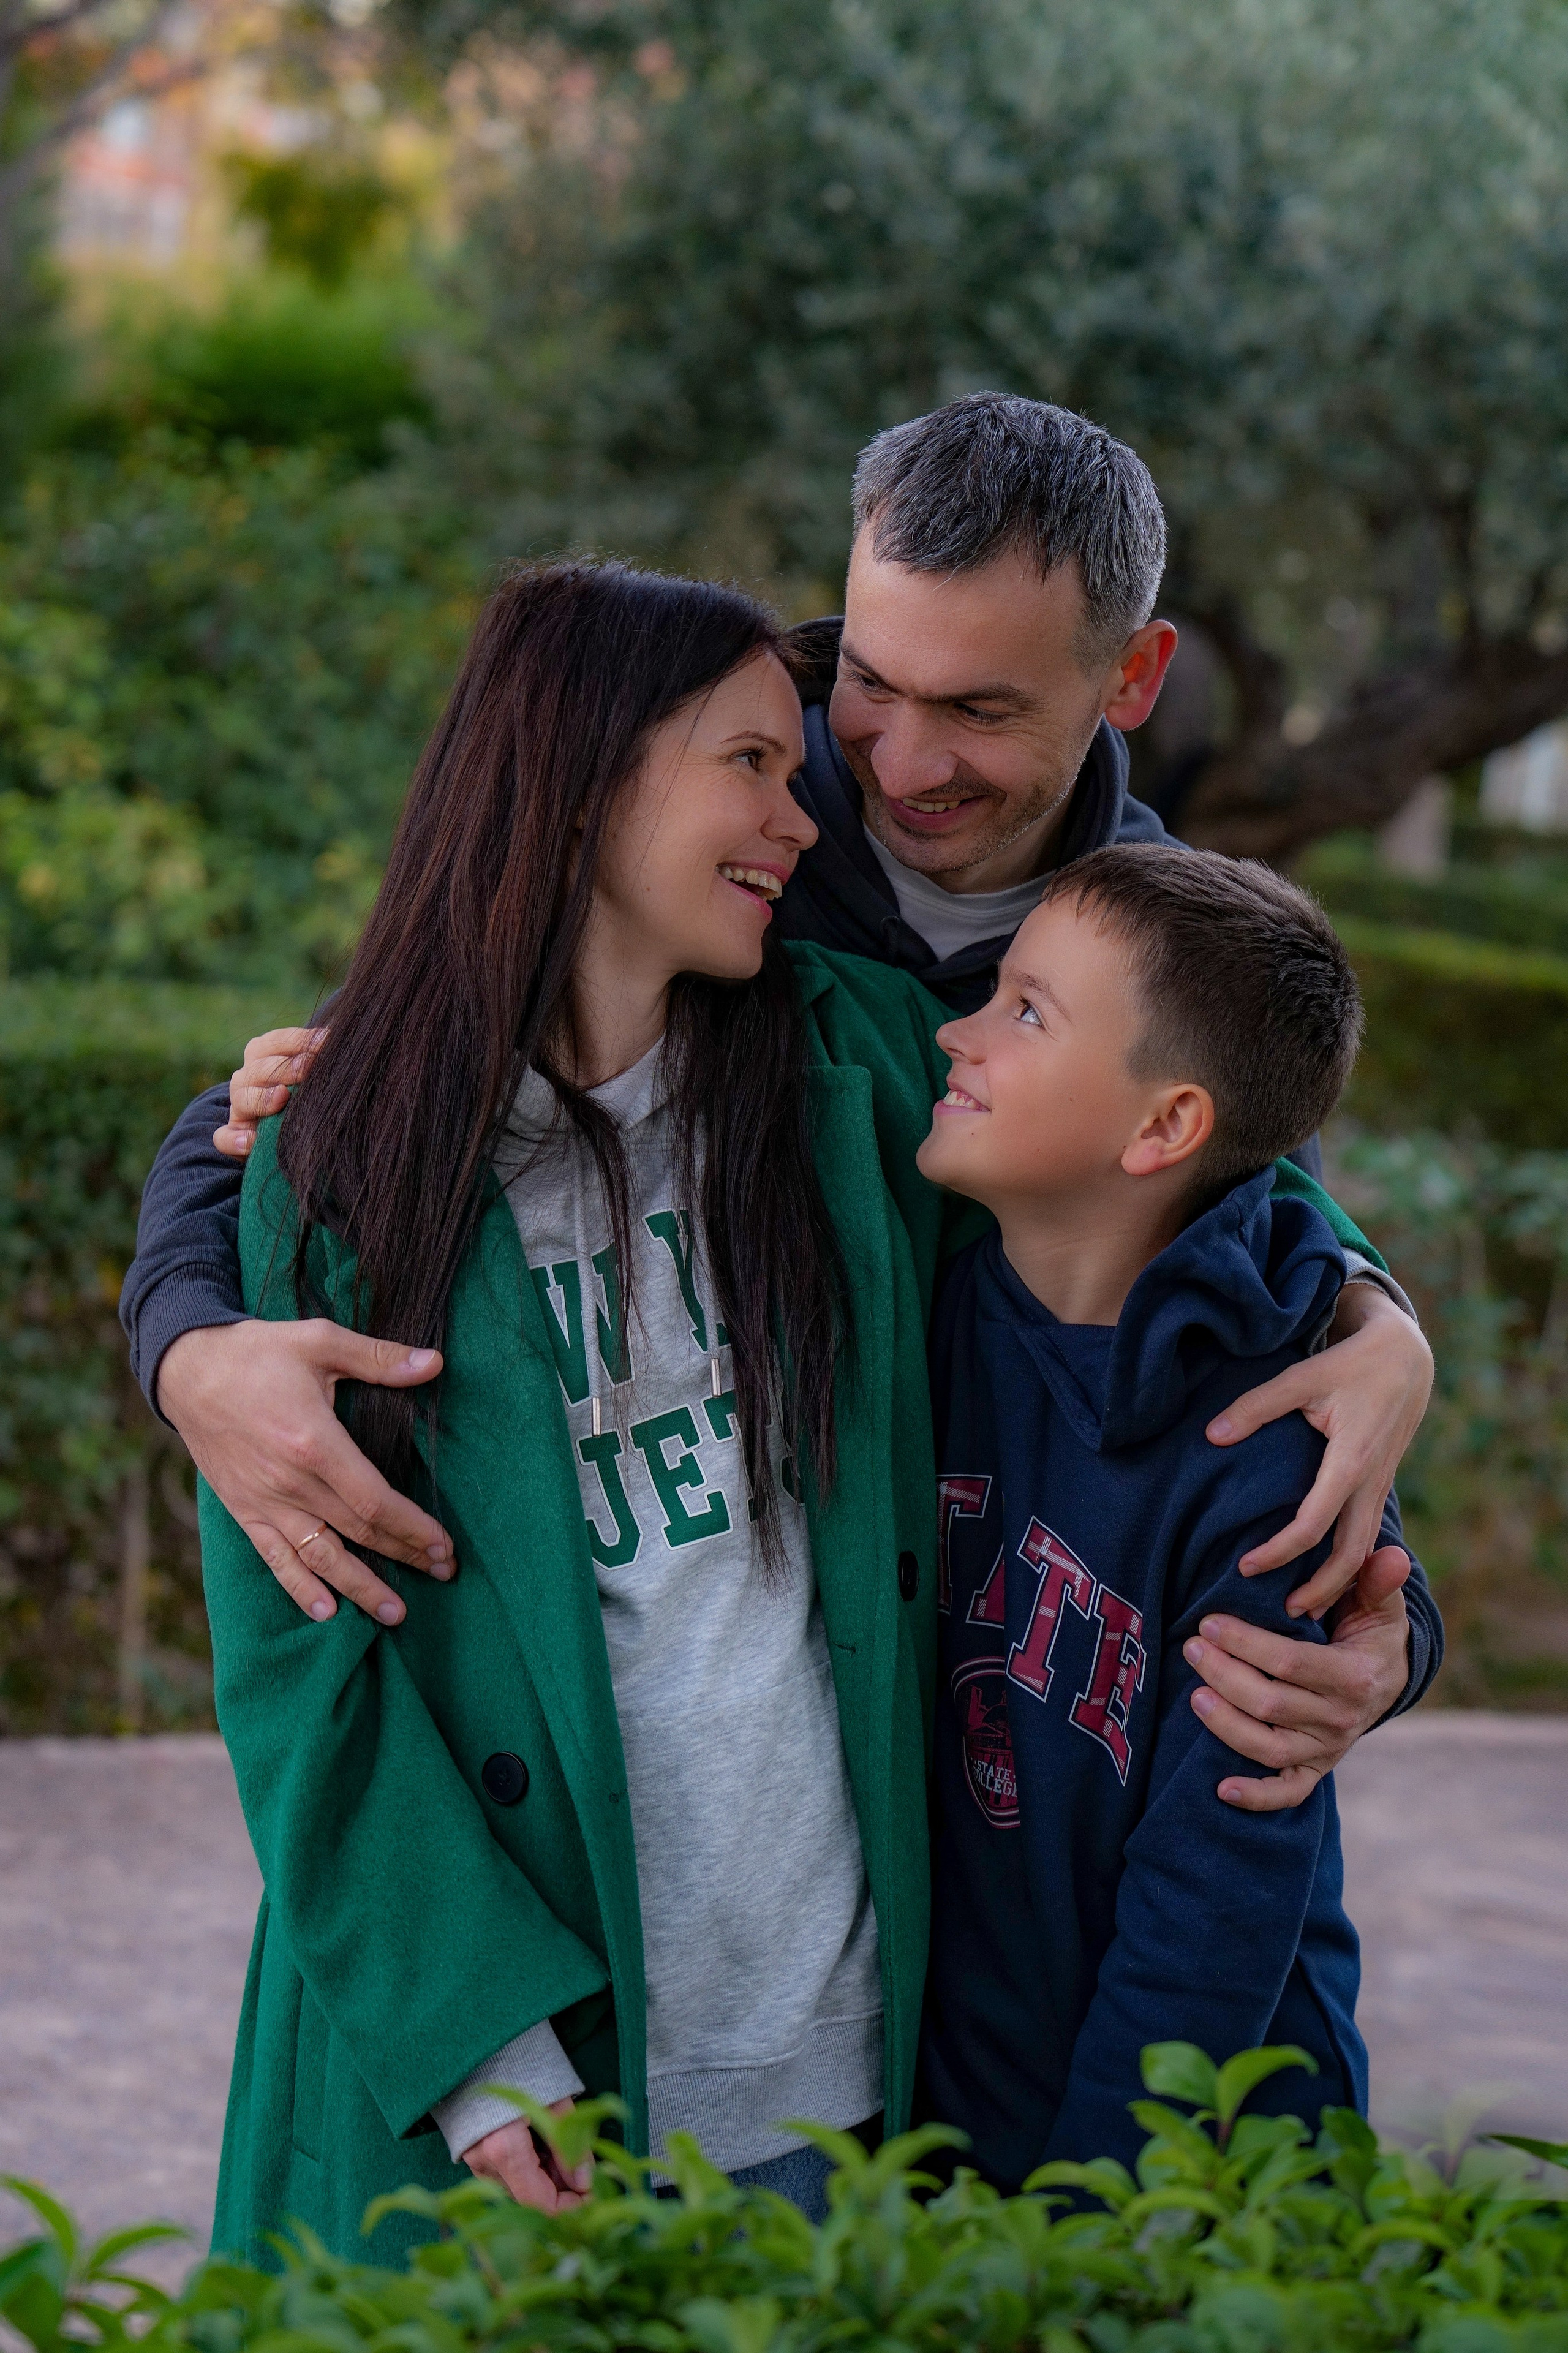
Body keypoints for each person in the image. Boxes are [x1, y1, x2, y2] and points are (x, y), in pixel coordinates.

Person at [121, 391, 1436, 1801]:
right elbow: (320, 1101)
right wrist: (190, 1349)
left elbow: (1241, 1254)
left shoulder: (1174, 951)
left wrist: (1380, 1549)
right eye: (872, 681)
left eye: (980, 709)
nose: (903, 763)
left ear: (1131, 676)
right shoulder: (702, 834)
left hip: (995, 1721)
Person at [915, 844, 1379, 2187]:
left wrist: (1085, 2232)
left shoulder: (1268, 1451)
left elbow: (1213, 1904)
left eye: (1025, 1011)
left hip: (1205, 2162)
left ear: (1162, 1127)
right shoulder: (928, 1325)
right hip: (950, 2132)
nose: (958, 1030)